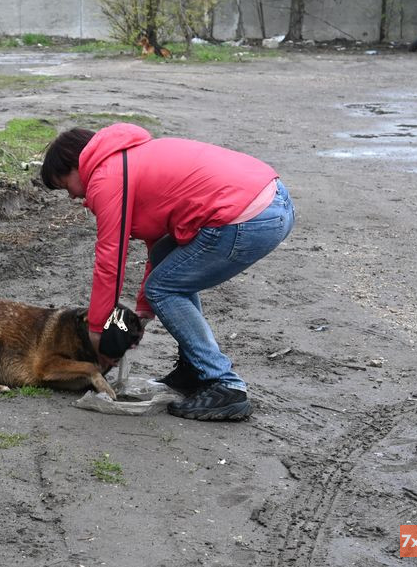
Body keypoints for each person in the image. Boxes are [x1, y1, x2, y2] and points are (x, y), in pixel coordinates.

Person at [40, 123, 295, 421]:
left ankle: (224, 384)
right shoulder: (127, 159)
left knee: (163, 288)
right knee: (166, 275)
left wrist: (97, 329)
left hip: (247, 217)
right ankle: (195, 370)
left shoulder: (105, 177)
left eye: (64, 185)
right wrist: (144, 310)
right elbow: (160, 247)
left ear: (76, 164)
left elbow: (110, 259)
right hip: (272, 201)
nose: (71, 196)